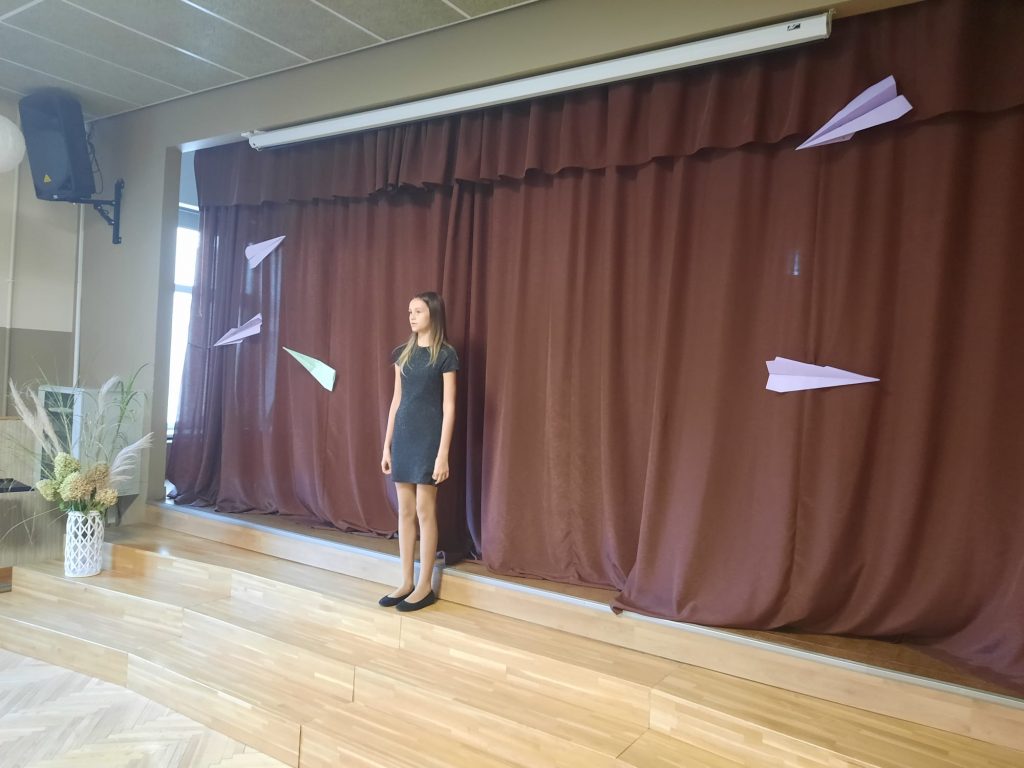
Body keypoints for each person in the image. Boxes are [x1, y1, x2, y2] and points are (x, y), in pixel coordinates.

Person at [379, 291, 459, 612]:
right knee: (405, 512)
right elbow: (396, 401)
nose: (411, 316)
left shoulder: (445, 355)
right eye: (410, 311)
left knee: (425, 511)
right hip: (403, 437)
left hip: (428, 439)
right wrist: (386, 445)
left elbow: (449, 406)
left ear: (433, 315)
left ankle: (425, 585)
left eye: (418, 311)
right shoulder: (402, 354)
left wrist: (443, 453)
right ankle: (406, 582)